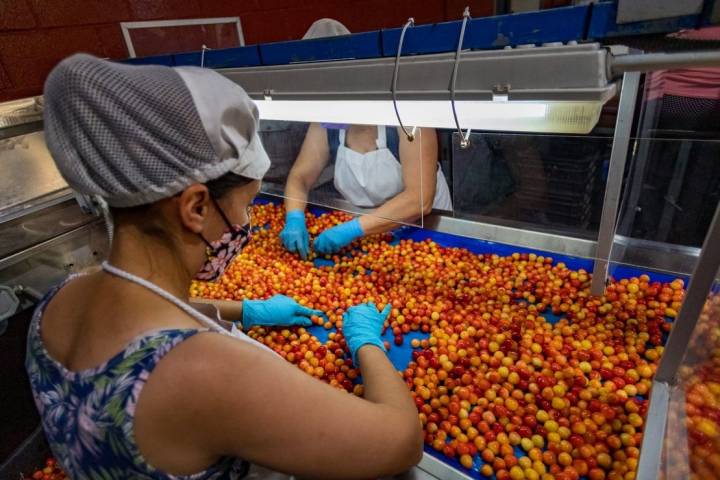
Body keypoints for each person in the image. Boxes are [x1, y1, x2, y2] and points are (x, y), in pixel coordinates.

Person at [26, 54, 422, 480]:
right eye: (247, 205)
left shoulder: (56, 302)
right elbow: (401, 442)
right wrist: (365, 342)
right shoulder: (207, 370)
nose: (247, 223)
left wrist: (244, 310)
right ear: (196, 206)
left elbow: (146, 322)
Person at [279, 21, 452, 260]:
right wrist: (295, 218)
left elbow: (418, 200)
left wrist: (352, 229)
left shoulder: (404, 111)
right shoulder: (331, 118)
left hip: (423, 232)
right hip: (364, 236)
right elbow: (300, 177)